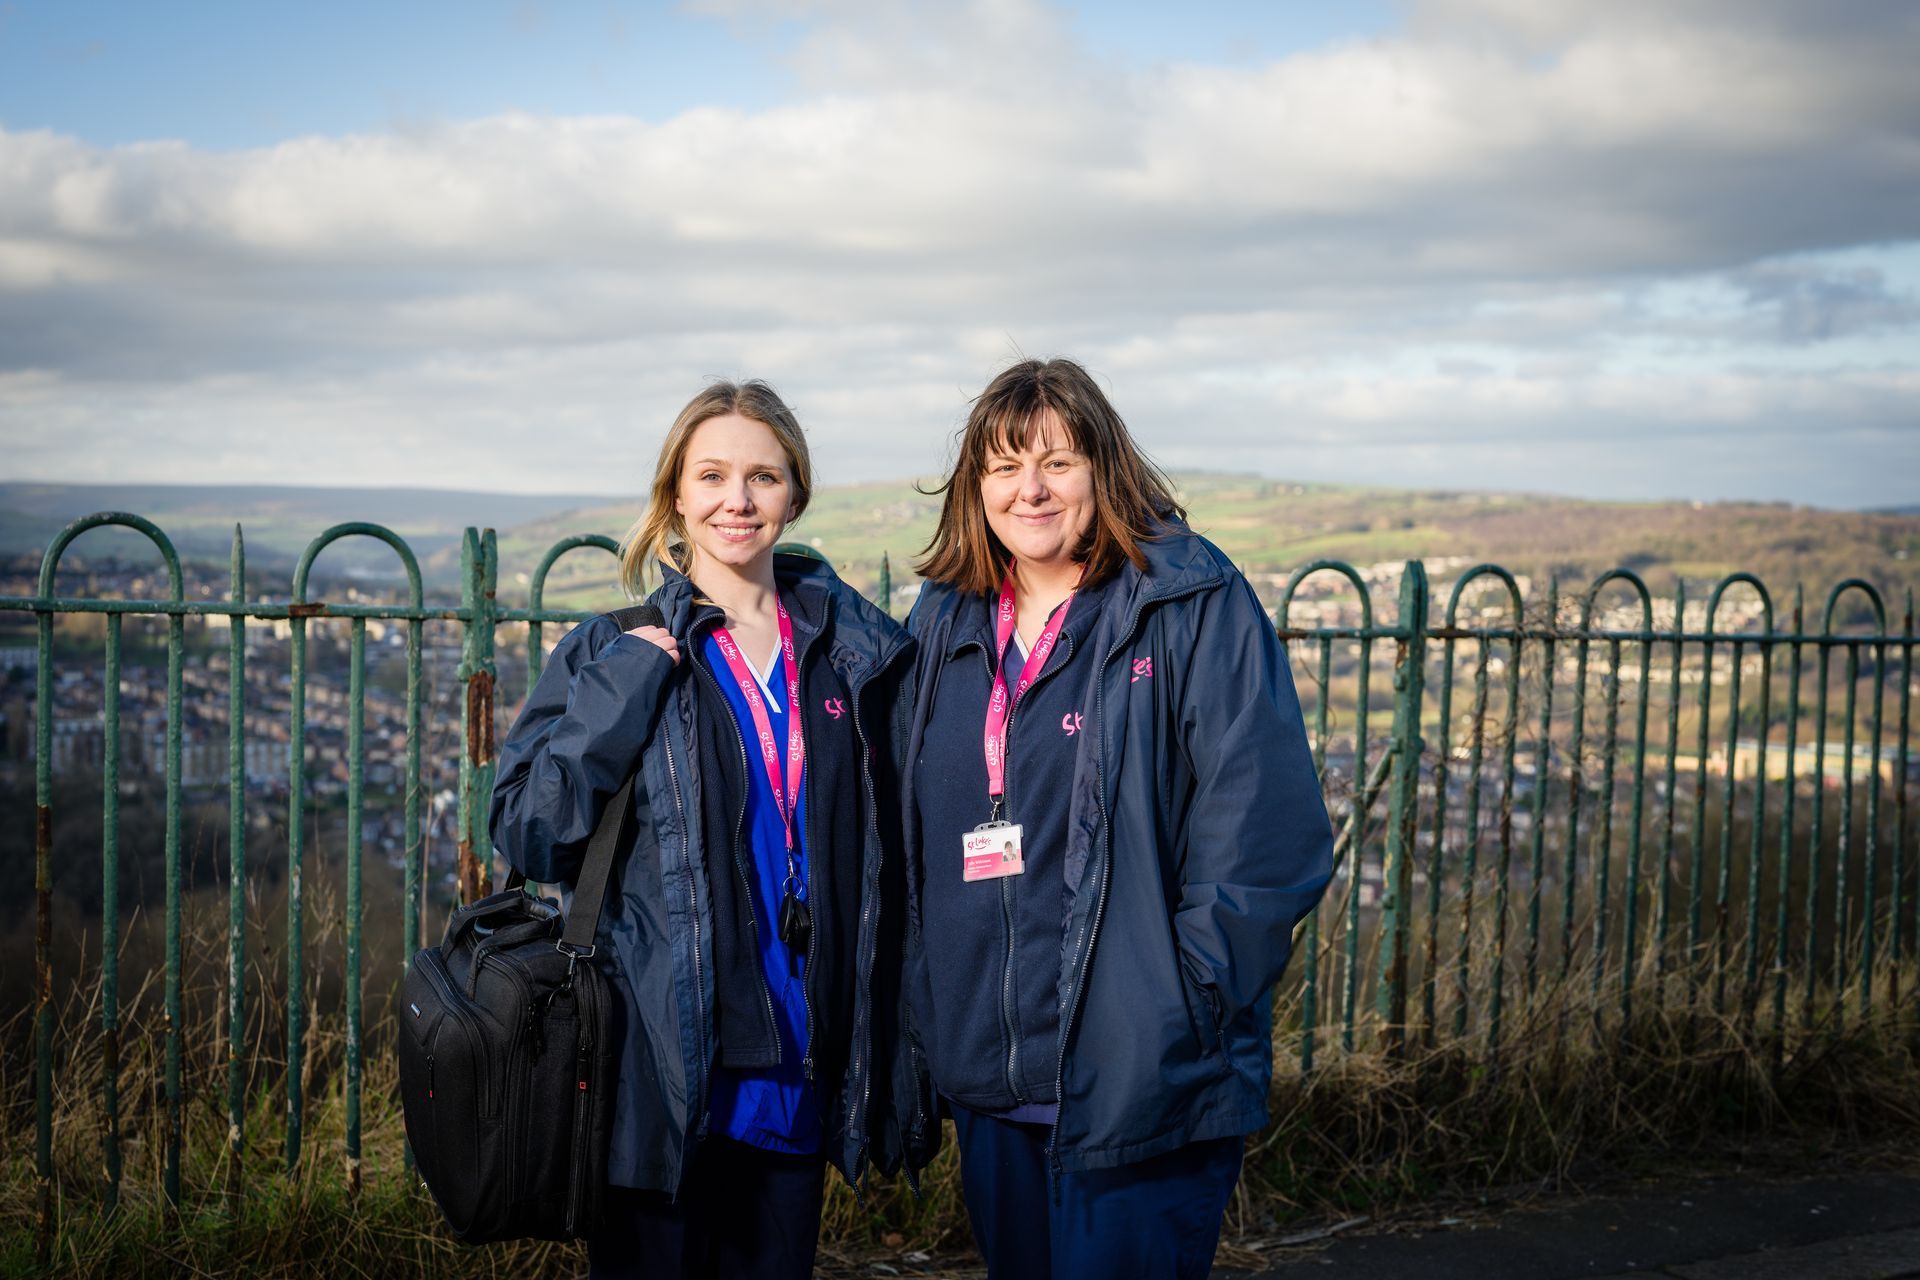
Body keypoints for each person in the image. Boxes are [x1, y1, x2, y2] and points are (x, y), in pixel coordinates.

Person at [902, 358, 1334, 1280]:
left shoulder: (1186, 601)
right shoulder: (946, 617)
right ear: (974, 486)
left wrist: (1185, 1005)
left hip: (1141, 1073)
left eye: (1057, 461)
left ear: (1104, 468)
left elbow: (1267, 834)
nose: (1030, 489)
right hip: (993, 1072)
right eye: (1004, 464)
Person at [490, 380, 914, 1280]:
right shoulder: (613, 649)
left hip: (799, 1052)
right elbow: (530, 831)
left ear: (794, 493)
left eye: (763, 476)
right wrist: (621, 691)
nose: (738, 499)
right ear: (675, 496)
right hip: (661, 1065)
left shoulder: (856, 655)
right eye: (712, 474)